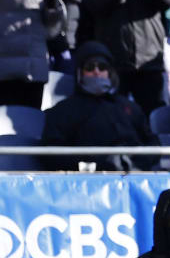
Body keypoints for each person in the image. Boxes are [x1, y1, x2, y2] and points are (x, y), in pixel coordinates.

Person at [41, 41, 159, 171]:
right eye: (90, 67)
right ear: (80, 73)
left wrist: (137, 161)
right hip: (93, 180)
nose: (96, 72)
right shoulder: (64, 110)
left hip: (137, 173)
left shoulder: (129, 107)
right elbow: (51, 153)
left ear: (110, 72)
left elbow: (152, 142)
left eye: (102, 67)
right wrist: (91, 165)